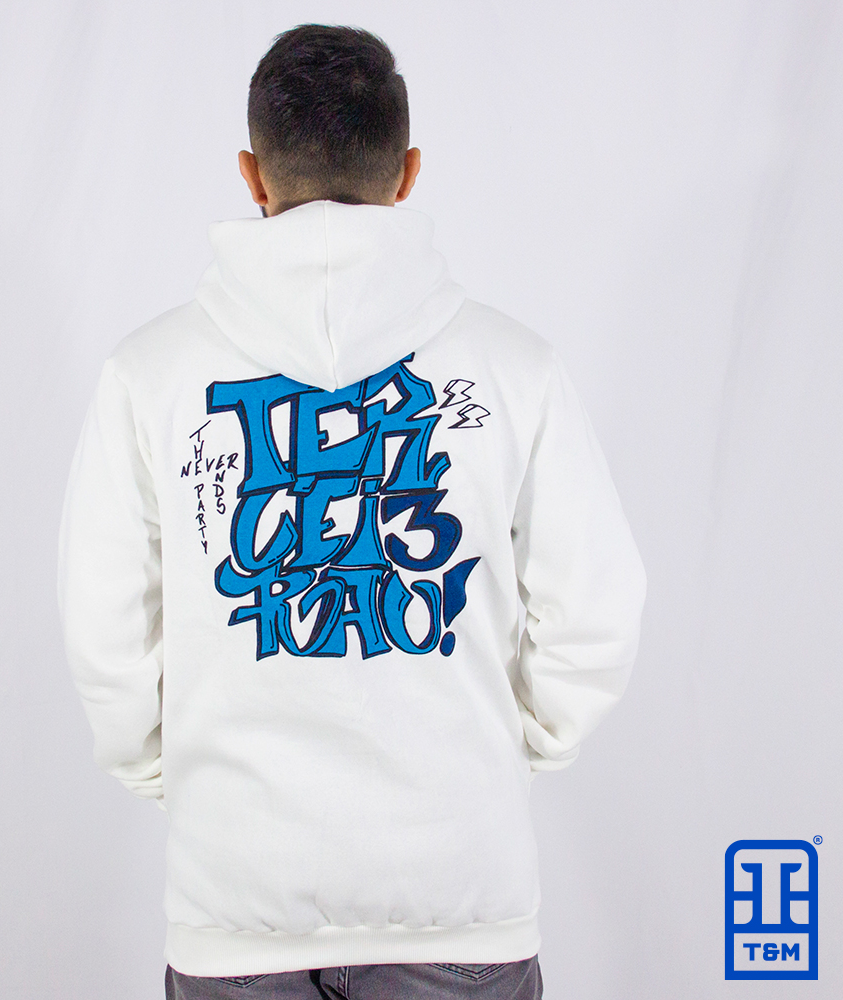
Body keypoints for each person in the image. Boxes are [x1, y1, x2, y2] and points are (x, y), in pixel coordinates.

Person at [57, 23, 646, 1000]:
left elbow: (105, 634)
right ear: (408, 171)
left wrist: (181, 777)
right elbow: (596, 615)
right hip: (459, 893)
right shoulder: (516, 369)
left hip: (234, 896)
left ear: (252, 175)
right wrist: (503, 755)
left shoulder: (148, 374)